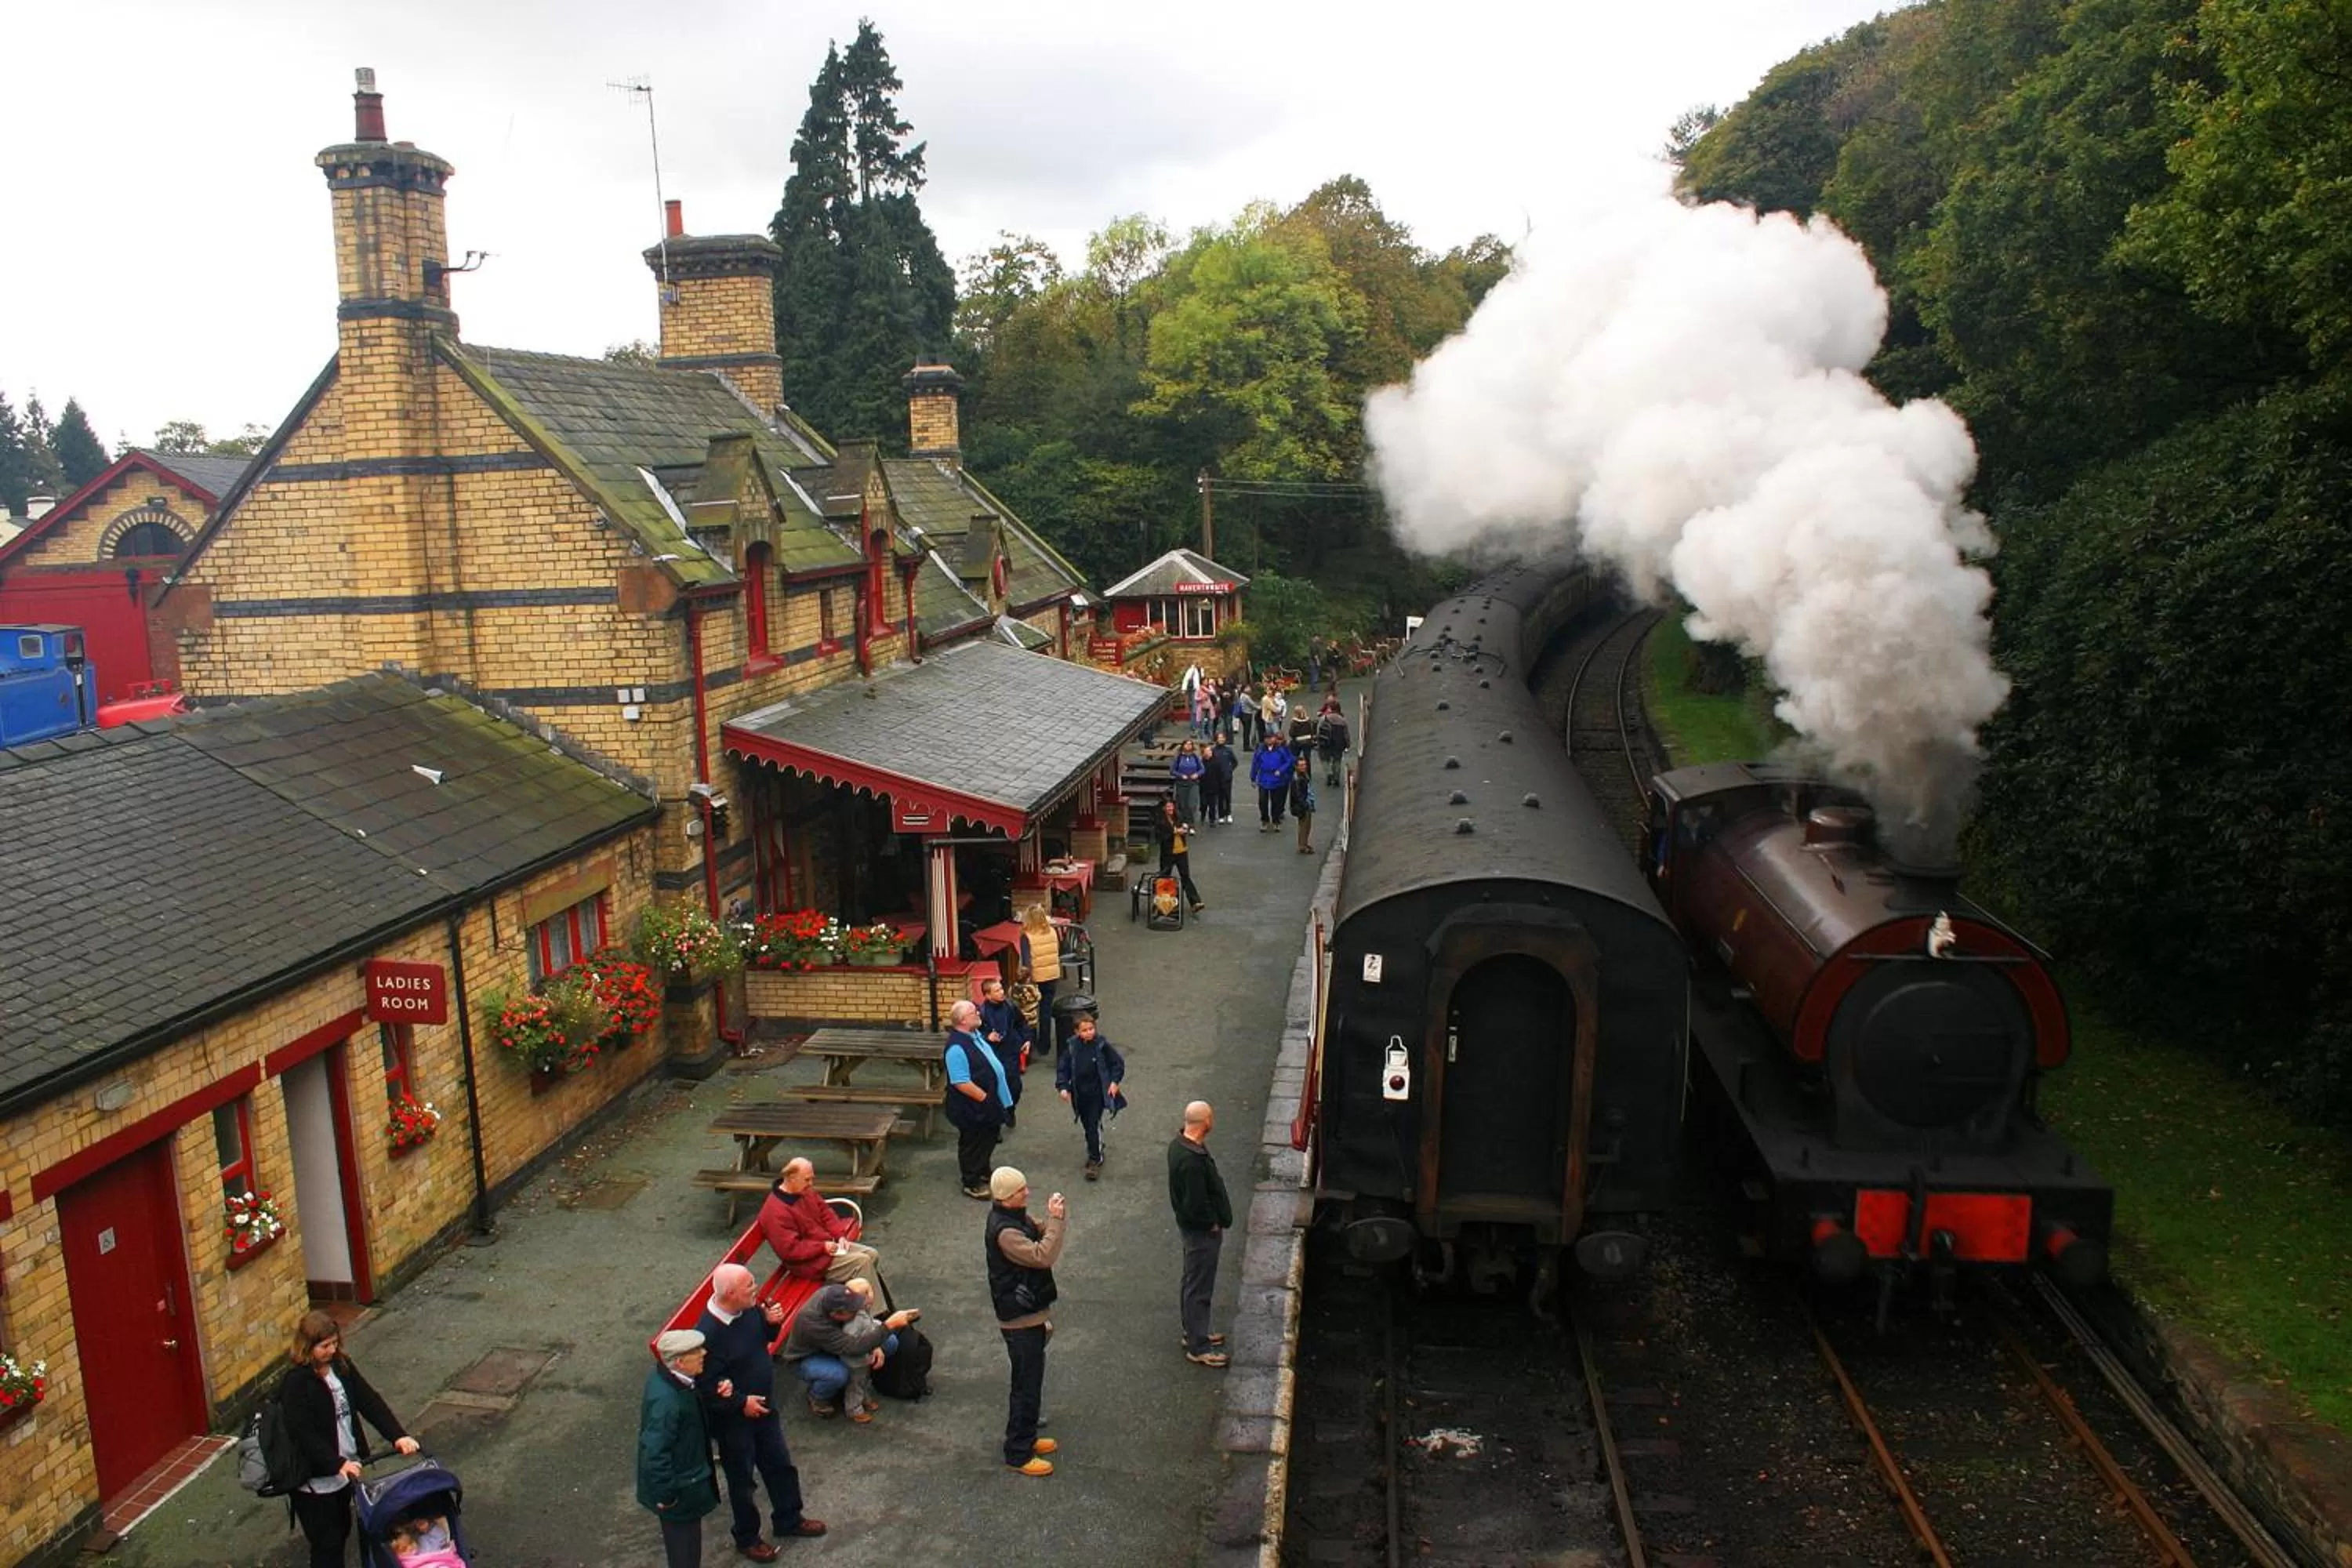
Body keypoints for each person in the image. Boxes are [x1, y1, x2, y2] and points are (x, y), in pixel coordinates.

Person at [695, 1265, 826, 1558]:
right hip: (734, 1423)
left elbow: (762, 1340)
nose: (755, 1289)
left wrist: (771, 1324)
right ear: (730, 1293)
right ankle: (747, 1537)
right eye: (749, 1285)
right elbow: (707, 1386)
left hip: (765, 1408)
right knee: (742, 1482)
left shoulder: (749, 1310)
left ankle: (789, 1518)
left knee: (780, 1465)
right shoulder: (707, 1335)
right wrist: (741, 1403)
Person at [278, 1309, 422, 1568]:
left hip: (345, 1474)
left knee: (342, 1530)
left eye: (334, 1343)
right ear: (307, 1346)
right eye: (324, 1346)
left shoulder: (341, 1367)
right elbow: (303, 1433)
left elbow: (369, 1401)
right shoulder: (296, 1383)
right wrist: (336, 1463)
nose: (331, 1350)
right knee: (327, 1544)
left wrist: (397, 1435)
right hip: (314, 1481)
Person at [986, 1167, 1068, 1475]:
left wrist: (1051, 1222)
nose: (1027, 1193)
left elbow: (1040, 1231)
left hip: (1027, 1312)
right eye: (1021, 1191)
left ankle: (1029, 1435)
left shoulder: (1014, 1217)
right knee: (1025, 1384)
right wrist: (1057, 1220)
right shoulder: (1006, 1232)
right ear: (1007, 1197)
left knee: (1031, 1379)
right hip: (1018, 1318)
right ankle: (1018, 1452)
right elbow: (1042, 1255)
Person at [640, 1329, 722, 1568]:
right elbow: (655, 1452)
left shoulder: (669, 1380)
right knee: (684, 1552)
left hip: (686, 1482)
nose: (704, 1353)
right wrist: (667, 1496)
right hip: (681, 1489)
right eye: (696, 1352)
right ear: (679, 1361)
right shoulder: (668, 1402)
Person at [782, 1281, 918, 1424]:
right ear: (836, 1315)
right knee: (838, 1375)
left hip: (836, 1344)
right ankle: (817, 1397)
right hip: (808, 1356)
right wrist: (888, 1326)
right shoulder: (813, 1323)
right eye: (852, 1311)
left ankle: (857, 1385)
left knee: (889, 1343)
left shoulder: (834, 1295)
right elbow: (853, 1347)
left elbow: (862, 1326)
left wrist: (875, 1345)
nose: (858, 1310)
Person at [1167, 1101, 1235, 1368]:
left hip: (1190, 1228)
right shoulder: (1193, 1161)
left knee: (1191, 1279)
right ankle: (1199, 1346)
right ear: (1206, 1122)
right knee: (1199, 1286)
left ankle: (1193, 1331)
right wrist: (1212, 1223)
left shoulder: (1179, 1146)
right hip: (1201, 1232)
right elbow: (1196, 1203)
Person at [757, 1158, 884, 1294]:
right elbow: (791, 1250)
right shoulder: (775, 1212)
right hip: (808, 1263)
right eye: (807, 1180)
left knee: (872, 1255)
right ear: (791, 1178)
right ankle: (874, 1312)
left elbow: (825, 1212)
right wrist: (822, 1247)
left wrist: (840, 1236)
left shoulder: (802, 1190)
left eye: (812, 1179)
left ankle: (857, 1303)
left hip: (826, 1249)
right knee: (862, 1263)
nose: (811, 1184)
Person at [943, 999, 1014, 1198]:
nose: (979, 1014)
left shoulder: (974, 1036)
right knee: (973, 1142)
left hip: (987, 1103)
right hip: (972, 1107)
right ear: (964, 1020)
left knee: (988, 1136)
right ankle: (971, 1181)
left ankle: (982, 1169)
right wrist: (985, 1098)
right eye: (975, 1012)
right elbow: (961, 1081)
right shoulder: (956, 1047)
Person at [1054, 1013, 1128, 1181]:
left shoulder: (1101, 1045)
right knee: (1087, 1124)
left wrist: (1114, 1082)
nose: (1089, 1033)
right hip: (1080, 1094)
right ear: (1076, 1032)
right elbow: (1063, 1068)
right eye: (1084, 1030)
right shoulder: (1072, 1047)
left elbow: (1117, 1063)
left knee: (1092, 1126)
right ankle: (1097, 1146)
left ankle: (1094, 1159)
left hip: (1097, 1093)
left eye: (1091, 1029)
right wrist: (1063, 1087)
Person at [980, 975, 1033, 1129]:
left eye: (1001, 989)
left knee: (1014, 1086)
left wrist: (1026, 1040)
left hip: (1010, 1052)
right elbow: (976, 1035)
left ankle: (1010, 1110)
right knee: (994, 1089)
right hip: (993, 1055)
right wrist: (987, 1036)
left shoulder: (1010, 1006)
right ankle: (996, 1123)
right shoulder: (982, 1013)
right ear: (988, 995)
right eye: (997, 991)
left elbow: (1022, 1023)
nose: (1002, 992)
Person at [1018, 904, 1062, 1061]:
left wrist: (1023, 979)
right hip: (1052, 975)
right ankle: (1045, 1045)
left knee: (1030, 1012)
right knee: (1046, 1010)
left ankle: (1030, 1045)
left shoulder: (1027, 936)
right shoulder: (1052, 931)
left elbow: (1026, 962)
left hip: (1036, 978)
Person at [1156, 797, 1204, 913]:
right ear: (1164, 808)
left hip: (1181, 851)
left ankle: (1195, 902)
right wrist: (1176, 831)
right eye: (1168, 807)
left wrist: (1185, 828)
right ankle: (1163, 904)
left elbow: (1183, 824)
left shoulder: (1178, 816)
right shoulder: (1161, 820)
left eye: (1172, 806)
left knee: (1185, 876)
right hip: (1168, 853)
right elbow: (1162, 834)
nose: (1170, 808)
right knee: (1164, 877)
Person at [1250, 735, 1294, 832]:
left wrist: (1281, 770)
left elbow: (1289, 761)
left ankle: (1276, 821)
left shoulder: (1281, 750)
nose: (1269, 740)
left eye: (1271, 738)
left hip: (1277, 780)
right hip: (1264, 779)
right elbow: (1255, 763)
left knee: (1276, 802)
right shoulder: (1261, 750)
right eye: (1267, 738)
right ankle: (1265, 820)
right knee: (1263, 801)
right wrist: (1253, 778)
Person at [385, 1513, 463, 1568]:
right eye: (404, 1549)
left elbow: (440, 1537)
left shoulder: (424, 1542)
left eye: (411, 1542)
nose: (411, 1547)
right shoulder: (399, 1563)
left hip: (440, 1562)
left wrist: (428, 1527)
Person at [1169, 739, 1206, 828]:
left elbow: (1202, 769)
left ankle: (1191, 823)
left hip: (1193, 783)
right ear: (1183, 746)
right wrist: (1181, 775)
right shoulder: (1178, 757)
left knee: (1192, 804)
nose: (1188, 746)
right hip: (1181, 783)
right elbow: (1172, 771)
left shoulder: (1195, 757)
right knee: (1182, 804)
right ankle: (1184, 821)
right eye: (1186, 744)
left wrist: (1197, 774)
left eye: (1190, 744)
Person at [1315, 698, 1351, 786]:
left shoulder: (1324, 719)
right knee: (1337, 761)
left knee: (1325, 760)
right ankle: (1336, 778)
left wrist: (1318, 742)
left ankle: (1329, 773)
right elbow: (1346, 734)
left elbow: (1318, 732)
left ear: (1330, 708)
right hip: (1338, 744)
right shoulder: (1343, 720)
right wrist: (1347, 744)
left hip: (1325, 744)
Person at [1205, 731, 1238, 826]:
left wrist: (1230, 770)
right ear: (1216, 739)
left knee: (1227, 796)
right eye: (1219, 738)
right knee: (1219, 797)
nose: (1221, 739)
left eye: (1222, 738)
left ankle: (1228, 813)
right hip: (1216, 778)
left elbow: (1235, 762)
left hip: (1227, 777)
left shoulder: (1228, 750)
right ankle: (1221, 815)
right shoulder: (1213, 750)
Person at [1290, 753, 1319, 855]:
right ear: (1296, 767)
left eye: (1304, 765)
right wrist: (1305, 805)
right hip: (1303, 806)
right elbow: (1298, 795)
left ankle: (1304, 843)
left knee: (1307, 826)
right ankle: (1302, 846)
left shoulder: (1303, 776)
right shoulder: (1298, 779)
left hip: (1306, 804)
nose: (1304, 767)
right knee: (1304, 826)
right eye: (1301, 765)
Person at [1232, 683, 1260, 750]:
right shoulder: (1246, 697)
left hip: (1243, 714)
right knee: (1247, 731)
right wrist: (1260, 707)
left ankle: (1246, 745)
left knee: (1246, 731)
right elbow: (1253, 705)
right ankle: (1246, 746)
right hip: (1247, 714)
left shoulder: (1242, 695)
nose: (1249, 689)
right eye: (1248, 688)